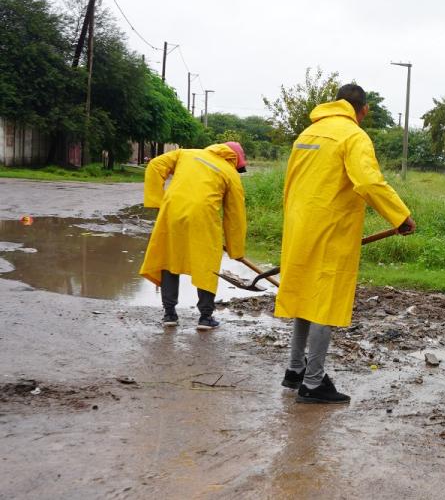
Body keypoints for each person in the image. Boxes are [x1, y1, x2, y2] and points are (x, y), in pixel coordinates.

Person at [275, 84, 414, 404]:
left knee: (303, 299)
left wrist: (294, 223)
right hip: (330, 232)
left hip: (299, 227)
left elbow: (290, 184)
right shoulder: (354, 136)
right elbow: (367, 181)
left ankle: (295, 370)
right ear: (362, 110)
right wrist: (400, 216)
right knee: (324, 301)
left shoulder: (308, 134)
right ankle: (312, 383)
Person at [139, 142, 248, 330]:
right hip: (203, 219)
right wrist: (235, 249)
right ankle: (205, 318)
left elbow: (155, 165)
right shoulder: (230, 174)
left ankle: (169, 315)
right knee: (207, 265)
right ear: (235, 160)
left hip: (172, 213)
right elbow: (235, 215)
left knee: (168, 261)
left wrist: (158, 202)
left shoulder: (186, 153)